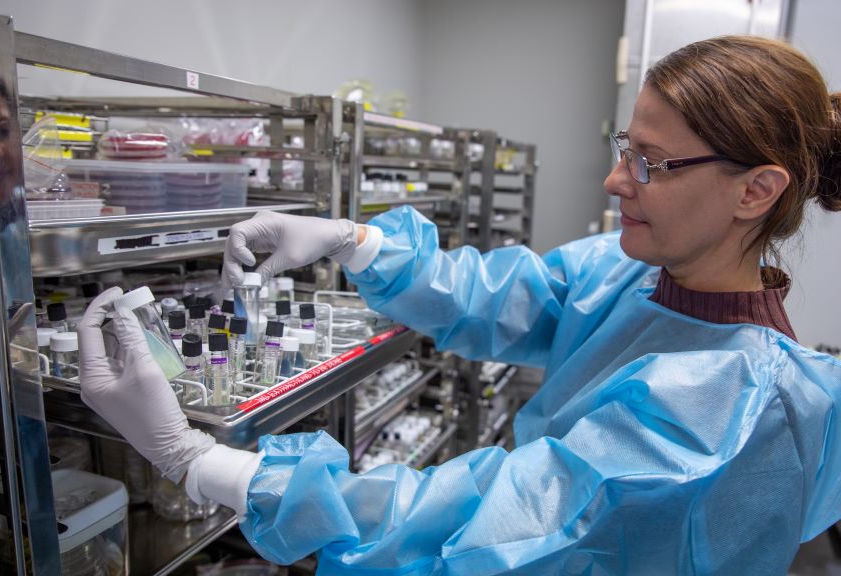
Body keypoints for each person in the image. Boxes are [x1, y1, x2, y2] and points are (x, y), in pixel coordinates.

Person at [78, 35, 841, 575]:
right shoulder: (627, 273)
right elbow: (501, 298)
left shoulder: (741, 411)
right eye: (623, 148)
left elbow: (490, 523)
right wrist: (349, 240)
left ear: (756, 190)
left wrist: (197, 461)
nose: (616, 182)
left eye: (651, 163)